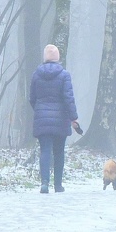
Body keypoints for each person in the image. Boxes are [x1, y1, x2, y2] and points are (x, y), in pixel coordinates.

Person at [29, 44, 79, 193]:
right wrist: (74, 117)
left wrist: (40, 110)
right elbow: (68, 98)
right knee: (59, 152)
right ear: (58, 58)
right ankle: (58, 184)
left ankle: (44, 183)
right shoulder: (64, 75)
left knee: (45, 150)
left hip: (42, 119)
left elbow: (32, 98)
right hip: (60, 120)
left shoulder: (36, 74)